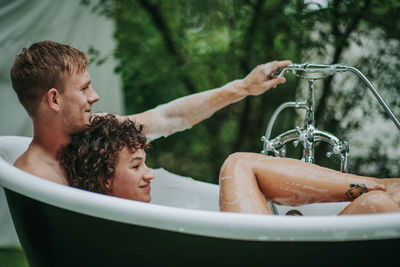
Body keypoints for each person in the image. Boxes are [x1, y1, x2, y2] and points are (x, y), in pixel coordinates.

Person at [10, 40, 291, 184]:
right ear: (55, 99)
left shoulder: (95, 131)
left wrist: (241, 87)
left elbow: (169, 118)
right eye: (84, 89)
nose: (94, 96)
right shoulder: (33, 177)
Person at [60, 114, 400, 215]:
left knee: (379, 207)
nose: (149, 174)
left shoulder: (136, 217)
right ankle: (387, 181)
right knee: (236, 165)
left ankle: (384, 188)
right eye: (136, 166)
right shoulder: (118, 227)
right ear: (103, 178)